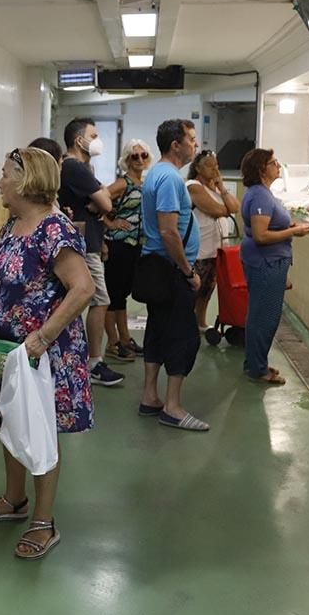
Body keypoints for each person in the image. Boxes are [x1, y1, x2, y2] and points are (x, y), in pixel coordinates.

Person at [0, 147, 96, 560]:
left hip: (43, 356)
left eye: (4, 174)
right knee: (10, 420)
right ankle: (13, 499)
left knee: (39, 431)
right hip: (6, 352)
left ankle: (43, 521)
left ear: (25, 182)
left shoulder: (53, 231)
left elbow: (83, 288)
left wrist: (42, 336)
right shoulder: (14, 224)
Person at [138, 119, 209, 432]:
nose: (195, 144)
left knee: (157, 329)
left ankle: (150, 396)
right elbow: (169, 232)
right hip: (170, 269)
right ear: (176, 145)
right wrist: (188, 271)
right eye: (191, 139)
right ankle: (173, 406)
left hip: (158, 266)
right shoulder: (169, 179)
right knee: (182, 336)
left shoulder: (157, 173)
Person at [57, 118, 125, 387]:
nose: (98, 140)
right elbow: (106, 203)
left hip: (92, 242)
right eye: (93, 135)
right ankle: (93, 362)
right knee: (100, 300)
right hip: (82, 246)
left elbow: (99, 205)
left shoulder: (82, 168)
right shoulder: (74, 167)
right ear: (79, 140)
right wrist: (103, 200)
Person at [239, 148, 309, 384]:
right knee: (266, 317)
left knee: (259, 315)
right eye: (273, 162)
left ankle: (254, 362)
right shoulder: (260, 195)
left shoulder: (262, 193)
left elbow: (267, 225)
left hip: (269, 262)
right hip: (265, 263)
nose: (278, 166)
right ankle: (258, 370)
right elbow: (261, 235)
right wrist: (293, 230)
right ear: (262, 169)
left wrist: (286, 226)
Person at [103, 138, 151, 358]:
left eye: (143, 155)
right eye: (134, 156)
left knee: (122, 294)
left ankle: (124, 338)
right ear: (127, 160)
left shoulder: (144, 183)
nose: (140, 159)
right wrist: (110, 223)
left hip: (136, 245)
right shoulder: (123, 184)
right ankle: (112, 342)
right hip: (119, 244)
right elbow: (96, 202)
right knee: (113, 295)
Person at [186, 149, 240, 331]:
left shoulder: (216, 188)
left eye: (216, 166)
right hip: (200, 249)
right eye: (209, 166)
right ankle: (186, 323)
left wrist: (222, 187)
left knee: (208, 289)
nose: (214, 170)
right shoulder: (193, 186)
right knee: (195, 289)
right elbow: (216, 210)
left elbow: (234, 207)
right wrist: (225, 208)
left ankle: (200, 321)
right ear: (198, 168)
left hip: (217, 249)